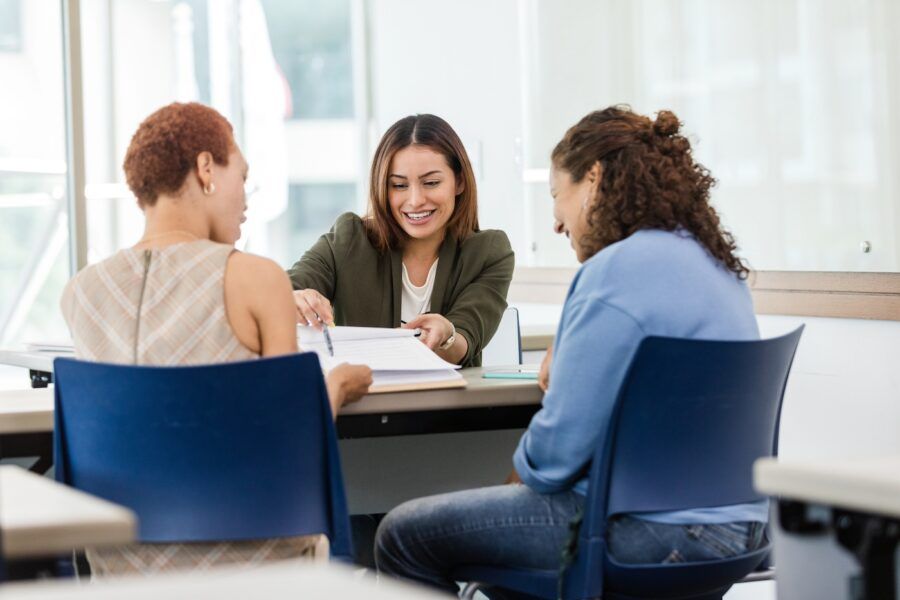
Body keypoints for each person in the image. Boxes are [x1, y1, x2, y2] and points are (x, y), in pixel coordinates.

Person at [374, 106, 766, 597]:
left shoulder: (613, 272)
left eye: (557, 195)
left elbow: (554, 457)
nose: (557, 223)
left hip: (645, 531)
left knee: (403, 534)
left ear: (595, 180)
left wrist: (520, 472)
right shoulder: (715, 263)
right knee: (506, 577)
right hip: (739, 528)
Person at [60, 102, 372, 576]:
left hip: (120, 568)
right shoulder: (256, 278)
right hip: (253, 563)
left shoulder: (80, 293)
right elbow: (290, 446)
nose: (246, 200)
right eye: (242, 178)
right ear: (206, 168)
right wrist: (335, 387)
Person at [287, 114, 514, 367]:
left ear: (459, 182)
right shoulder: (350, 238)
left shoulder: (489, 252)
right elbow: (284, 289)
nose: (415, 200)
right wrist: (295, 297)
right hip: (365, 403)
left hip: (449, 404)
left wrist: (447, 334)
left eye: (431, 183)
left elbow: (466, 337)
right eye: (399, 185)